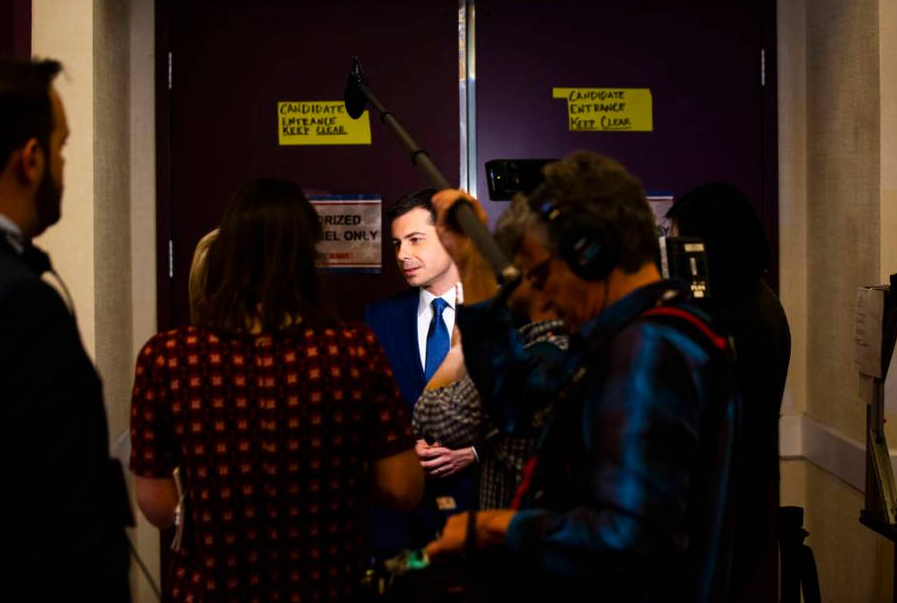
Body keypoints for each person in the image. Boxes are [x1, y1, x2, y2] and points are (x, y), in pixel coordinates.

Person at [424, 152, 739, 603]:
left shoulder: (650, 348)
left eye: (541, 274)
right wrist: (471, 262)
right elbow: (519, 402)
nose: (542, 300)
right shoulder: (627, 338)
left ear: (588, 251)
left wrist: (497, 528)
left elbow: (628, 540)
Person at [130, 178, 423, 602]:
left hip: (212, 590)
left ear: (226, 254)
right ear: (307, 257)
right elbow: (403, 488)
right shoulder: (352, 350)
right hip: (325, 586)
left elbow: (158, 509)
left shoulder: (168, 356)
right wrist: (336, 478)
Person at [0, 58, 131, 600]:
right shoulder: (18, 303)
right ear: (31, 159)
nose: (63, 168)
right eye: (62, 149)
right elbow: (53, 505)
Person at [666, 182, 791, 603]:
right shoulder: (748, 302)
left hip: (724, 502)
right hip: (730, 496)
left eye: (680, 243)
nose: (675, 258)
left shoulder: (743, 316)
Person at [413, 201, 569, 508]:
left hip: (520, 541)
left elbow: (433, 416)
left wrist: (459, 351)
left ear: (533, 276)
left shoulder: (529, 358)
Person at [364, 188, 477, 555]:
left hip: (478, 509)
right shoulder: (379, 317)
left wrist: (474, 451)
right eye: (397, 244)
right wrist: (397, 448)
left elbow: (528, 413)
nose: (402, 255)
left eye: (415, 240)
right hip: (400, 515)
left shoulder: (499, 313)